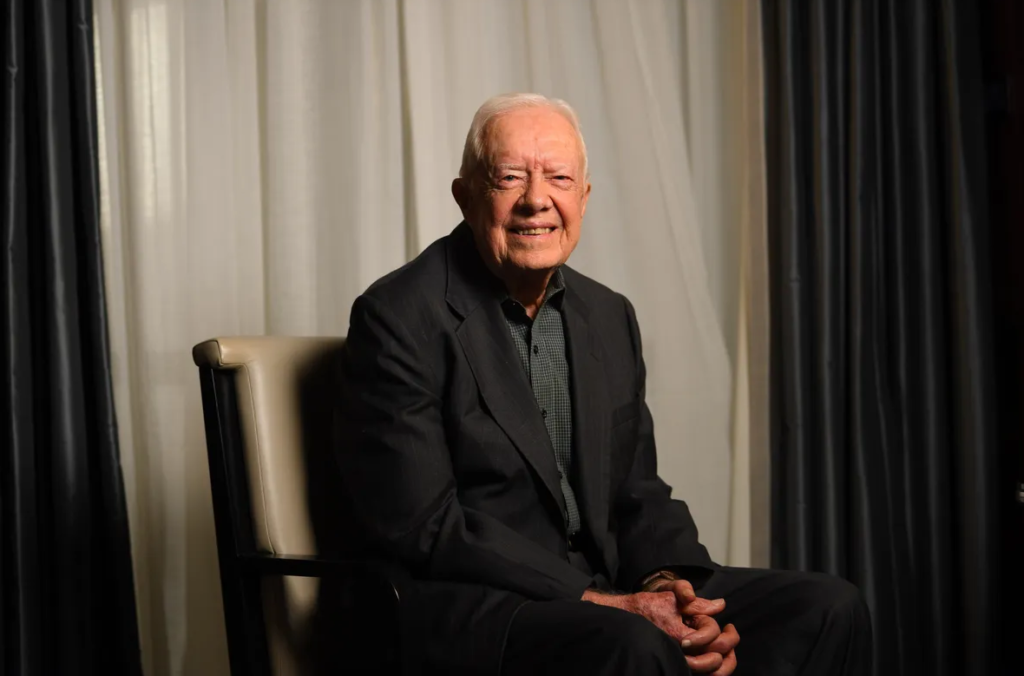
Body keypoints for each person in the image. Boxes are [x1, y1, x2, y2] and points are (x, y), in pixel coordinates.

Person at [338, 93, 872, 675]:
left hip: (610, 586)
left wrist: (671, 589)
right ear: (465, 196)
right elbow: (429, 527)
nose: (536, 200)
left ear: (584, 198)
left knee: (826, 608)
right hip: (474, 603)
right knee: (631, 643)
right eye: (510, 177)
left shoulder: (609, 314)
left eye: (559, 178)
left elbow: (637, 490)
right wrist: (607, 602)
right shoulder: (398, 316)